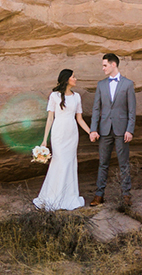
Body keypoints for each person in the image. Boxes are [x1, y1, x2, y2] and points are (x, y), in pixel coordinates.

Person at [33, 68, 93, 211]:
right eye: (73, 77)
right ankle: (54, 196)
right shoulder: (54, 96)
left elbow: (79, 118)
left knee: (70, 163)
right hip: (58, 133)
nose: (76, 79)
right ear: (67, 80)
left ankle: (68, 196)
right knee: (59, 162)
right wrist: (44, 140)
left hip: (72, 133)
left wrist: (90, 132)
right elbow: (50, 118)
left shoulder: (77, 97)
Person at [89, 52, 136, 209]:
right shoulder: (101, 85)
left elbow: (132, 110)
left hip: (122, 130)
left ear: (113, 64)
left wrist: (130, 130)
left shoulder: (128, 84)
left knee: (123, 163)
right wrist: (93, 129)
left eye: (104, 65)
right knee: (103, 163)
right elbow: (96, 109)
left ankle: (126, 195)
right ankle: (99, 195)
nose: (102, 68)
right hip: (104, 130)